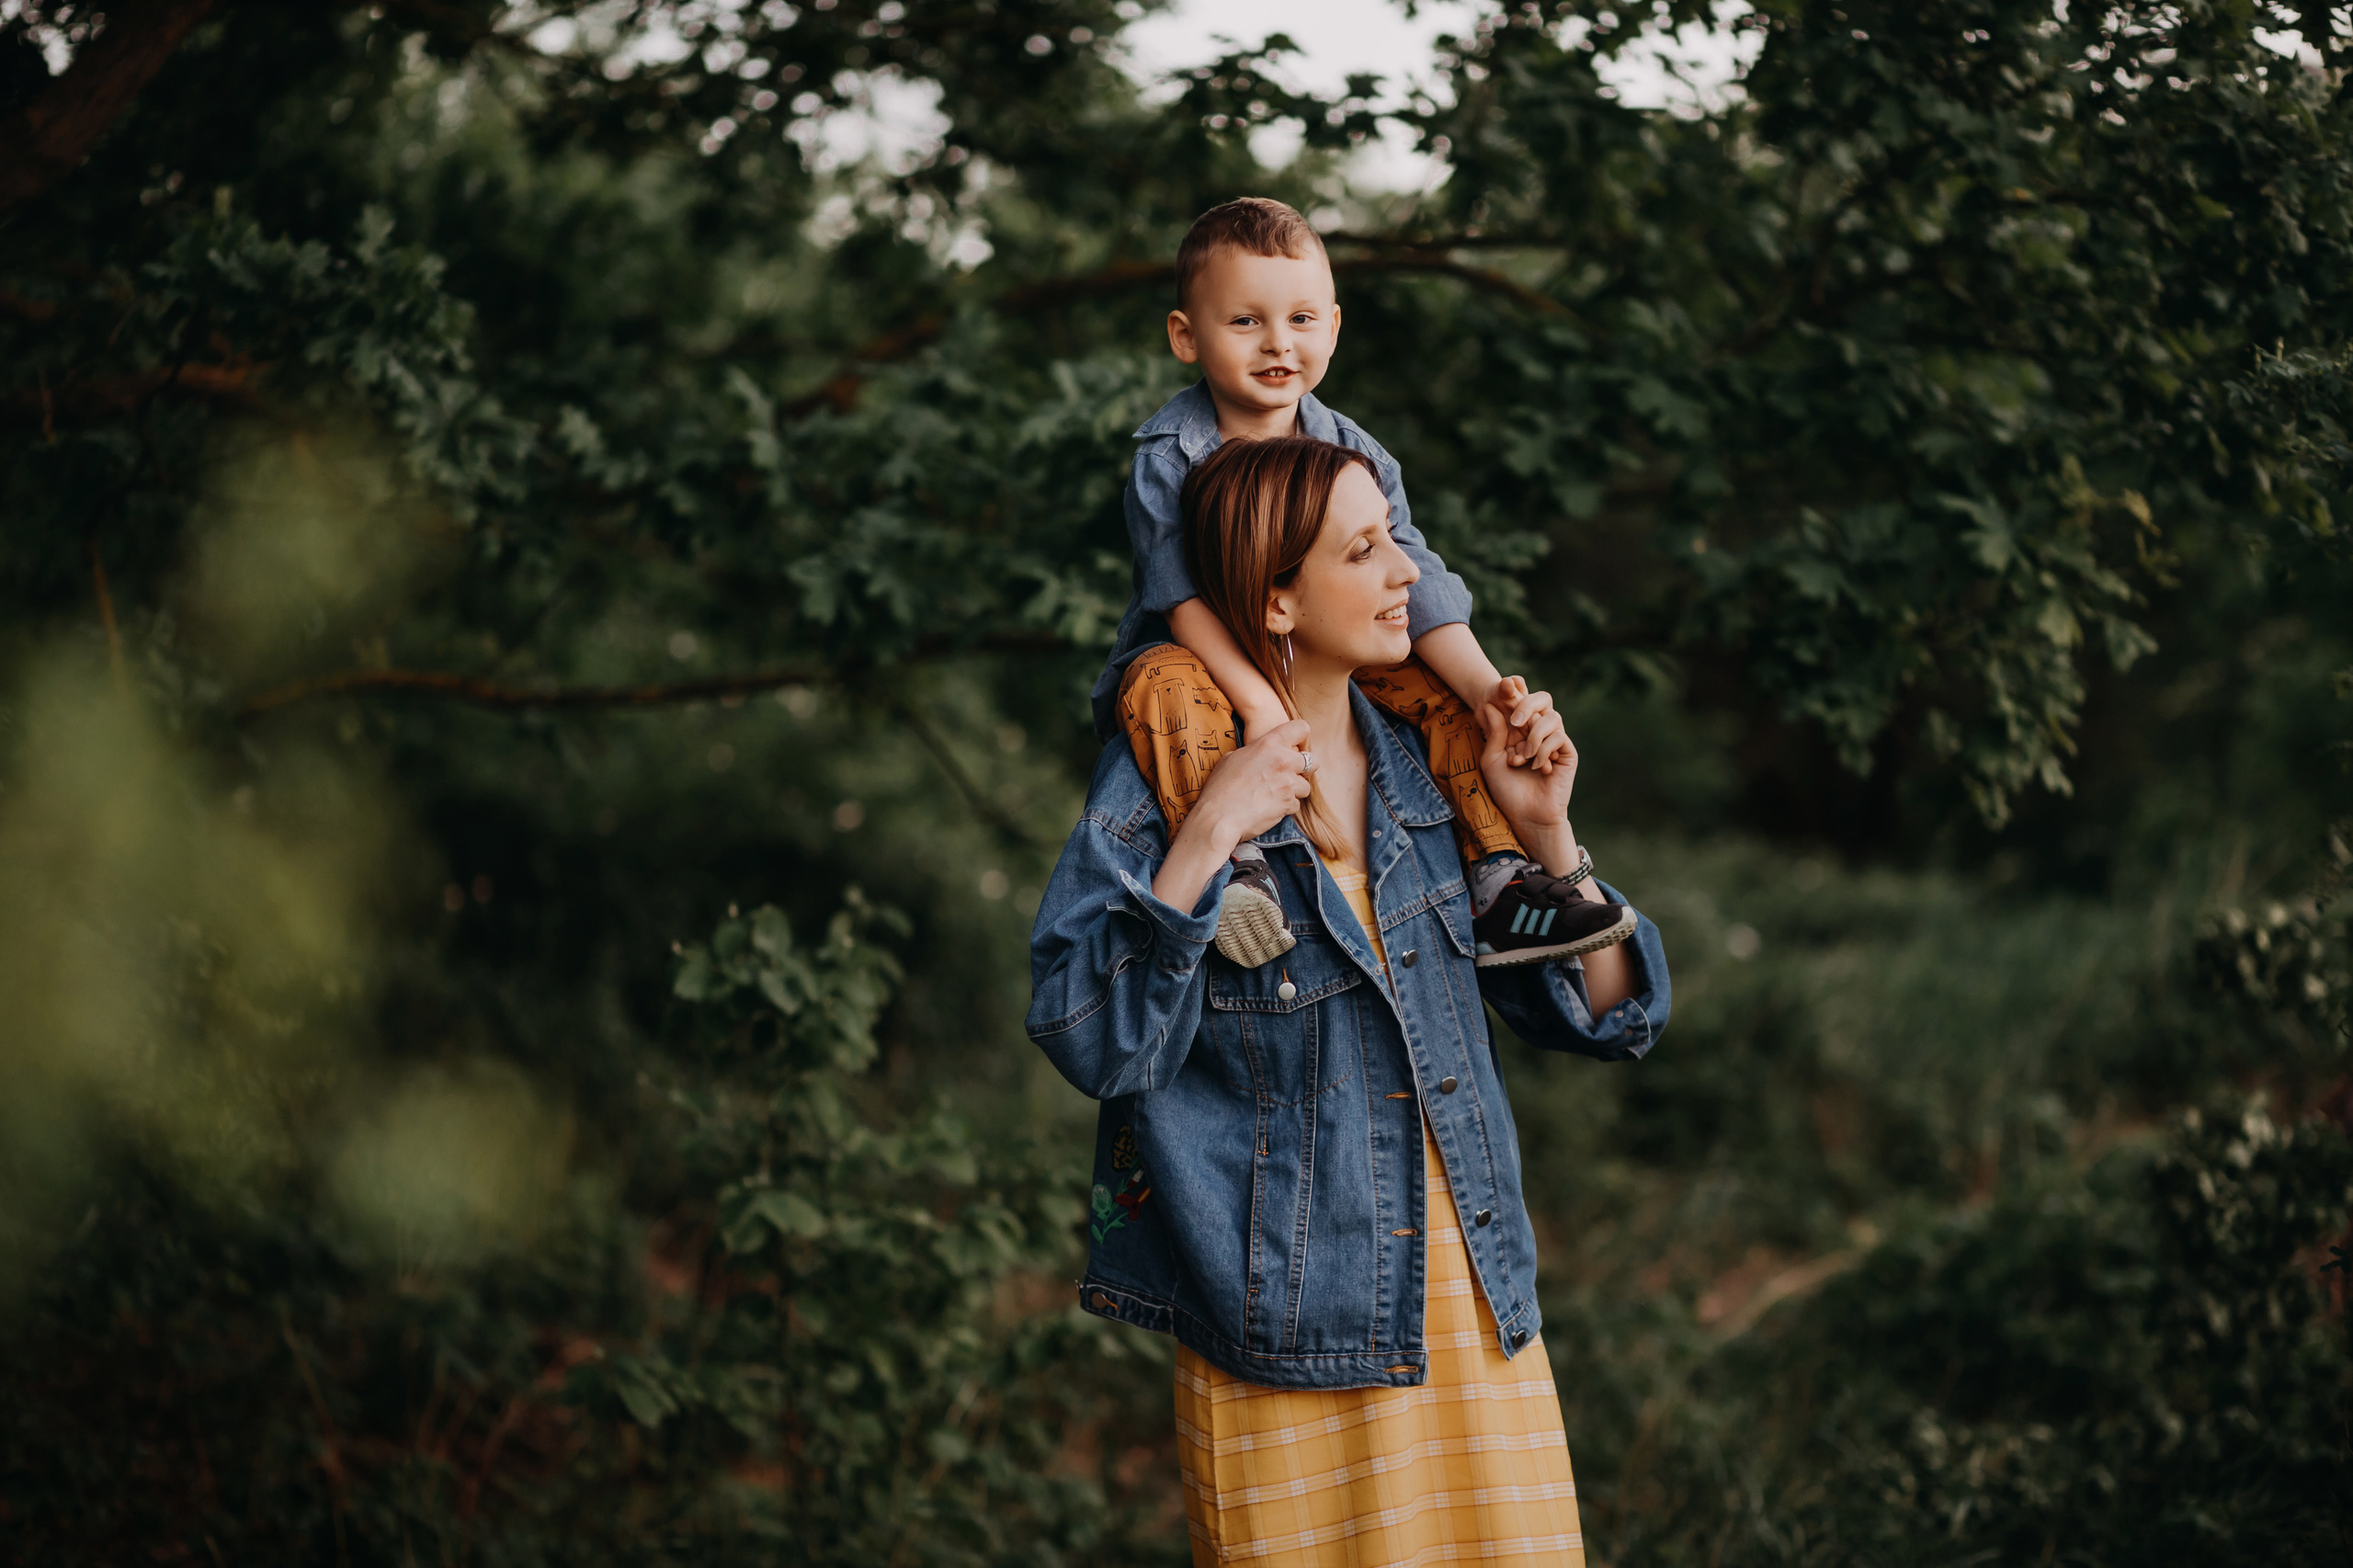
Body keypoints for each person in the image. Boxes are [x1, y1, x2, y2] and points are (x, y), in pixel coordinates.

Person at [1029, 435, 1671, 1566]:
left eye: (1394, 543)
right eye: (1366, 551)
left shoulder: (1434, 767)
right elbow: (1091, 1034)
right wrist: (1213, 835)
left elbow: (1610, 1018)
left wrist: (1551, 836)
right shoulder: (1165, 773)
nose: (1405, 577)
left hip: (1473, 1316)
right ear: (1276, 600)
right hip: (1278, 1343)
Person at [1095, 197, 1637, 972]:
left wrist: (1489, 692)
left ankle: (1496, 879)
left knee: (1446, 699)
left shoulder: (1352, 450)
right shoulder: (1171, 455)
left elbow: (1413, 577)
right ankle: (1238, 866)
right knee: (1163, 684)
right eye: (1246, 322)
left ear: (1335, 327)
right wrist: (1259, 707)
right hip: (1206, 666)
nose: (1280, 343)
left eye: (1303, 320)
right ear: (1186, 336)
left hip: (1328, 661)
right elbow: (1179, 598)